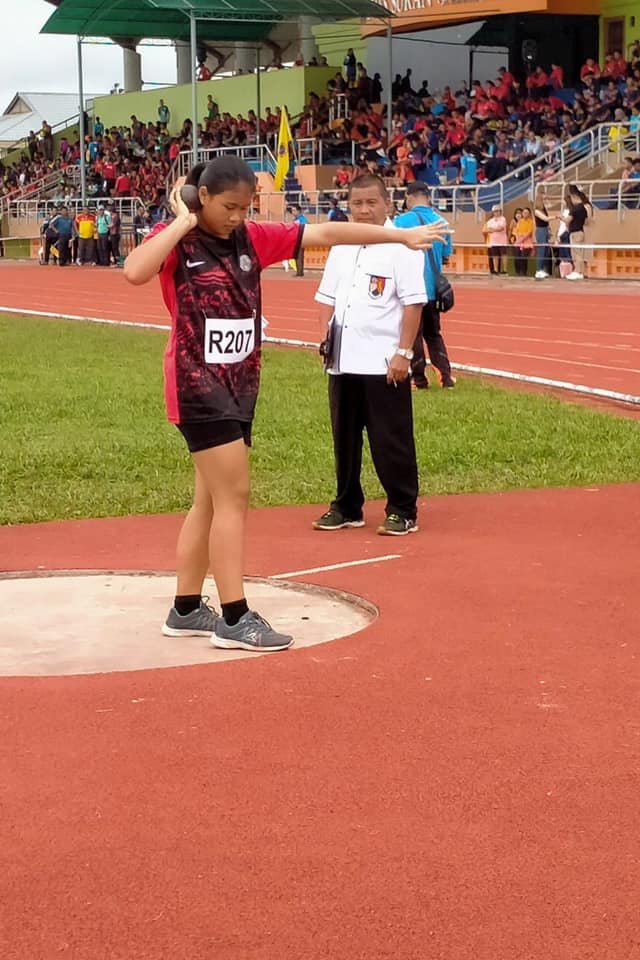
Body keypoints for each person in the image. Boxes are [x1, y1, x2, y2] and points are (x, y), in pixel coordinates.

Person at [123, 156, 446, 652]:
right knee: (235, 497)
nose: (237, 217)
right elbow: (135, 271)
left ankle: (185, 609)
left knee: (209, 500)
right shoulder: (178, 240)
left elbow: (326, 233)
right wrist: (183, 222)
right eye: (228, 207)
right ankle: (234, 617)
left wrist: (398, 237)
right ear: (201, 197)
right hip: (197, 387)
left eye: (245, 207)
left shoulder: (253, 238)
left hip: (239, 385)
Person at [312, 174, 432, 538]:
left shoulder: (402, 246)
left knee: (390, 438)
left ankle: (402, 509)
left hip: (383, 363)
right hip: (343, 361)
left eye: (371, 203)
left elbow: (413, 304)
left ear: (387, 204)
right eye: (357, 204)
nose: (364, 210)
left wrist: (403, 354)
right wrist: (324, 339)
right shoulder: (342, 245)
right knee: (344, 439)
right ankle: (347, 505)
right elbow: (327, 298)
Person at [394, 181, 455, 389]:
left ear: (408, 197)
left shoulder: (400, 222)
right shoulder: (442, 222)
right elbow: (445, 257)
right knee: (434, 334)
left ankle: (419, 379)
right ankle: (445, 377)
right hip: (433, 289)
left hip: (410, 288)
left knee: (414, 334)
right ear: (428, 197)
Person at [564, 185, 591, 280]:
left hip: (575, 233)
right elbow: (586, 220)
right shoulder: (583, 208)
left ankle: (578, 271)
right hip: (580, 231)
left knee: (576, 253)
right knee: (579, 253)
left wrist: (562, 218)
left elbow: (567, 220)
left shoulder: (575, 209)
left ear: (573, 196)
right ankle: (581, 271)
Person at [482, 204, 508, 275]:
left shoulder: (503, 219)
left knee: (504, 255)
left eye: (498, 211)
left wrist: (493, 229)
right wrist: (495, 229)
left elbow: (501, 228)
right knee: (495, 256)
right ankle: (496, 270)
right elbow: (488, 229)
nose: (497, 212)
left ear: (500, 211)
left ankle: (505, 270)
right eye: (495, 211)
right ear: (493, 212)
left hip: (502, 241)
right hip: (493, 241)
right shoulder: (490, 221)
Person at [533, 190, 552, 279]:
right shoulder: (537, 210)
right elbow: (545, 219)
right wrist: (556, 217)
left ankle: (542, 269)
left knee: (545, 251)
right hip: (540, 230)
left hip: (545, 229)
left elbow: (546, 222)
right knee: (541, 250)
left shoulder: (543, 209)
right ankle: (538, 270)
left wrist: (549, 230)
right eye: (544, 199)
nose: (545, 200)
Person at [510, 206, 534, 277]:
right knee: (517, 257)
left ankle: (524, 272)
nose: (525, 214)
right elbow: (516, 231)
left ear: (529, 214)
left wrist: (522, 238)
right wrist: (518, 238)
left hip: (526, 242)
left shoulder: (530, 221)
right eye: (524, 212)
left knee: (523, 257)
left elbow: (529, 232)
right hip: (518, 242)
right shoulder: (520, 221)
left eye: (527, 213)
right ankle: (517, 272)